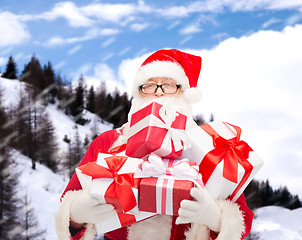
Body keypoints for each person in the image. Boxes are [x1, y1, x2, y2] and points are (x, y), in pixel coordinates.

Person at [55, 49, 254, 240]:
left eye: (168, 84)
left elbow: (243, 221)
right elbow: (67, 211)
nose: (158, 93)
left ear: (184, 92)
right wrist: (76, 215)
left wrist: (216, 219)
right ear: (139, 93)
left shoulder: (207, 148)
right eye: (149, 85)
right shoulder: (108, 141)